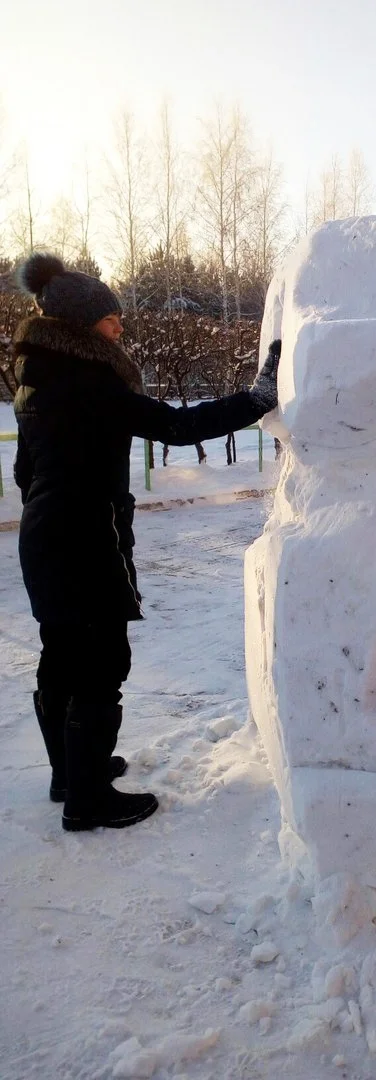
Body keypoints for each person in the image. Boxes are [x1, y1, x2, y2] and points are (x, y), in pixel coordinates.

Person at [13, 252, 280, 832]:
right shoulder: (89, 380)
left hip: (43, 538)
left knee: (61, 654)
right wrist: (255, 402)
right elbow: (176, 427)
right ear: (84, 328)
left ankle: (69, 772)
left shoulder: (36, 383)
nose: (120, 327)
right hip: (86, 540)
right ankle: (87, 801)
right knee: (102, 661)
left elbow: (23, 475)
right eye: (110, 320)